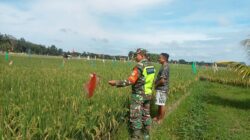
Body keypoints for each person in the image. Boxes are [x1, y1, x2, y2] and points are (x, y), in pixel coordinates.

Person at [108, 48, 155, 139]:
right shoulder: (151, 66)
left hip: (138, 95)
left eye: (136, 55)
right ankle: (146, 135)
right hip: (148, 94)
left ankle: (136, 137)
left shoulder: (140, 66)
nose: (135, 57)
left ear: (141, 55)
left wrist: (116, 83)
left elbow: (130, 81)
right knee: (146, 114)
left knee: (136, 116)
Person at [153, 53, 170, 124]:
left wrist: (156, 85)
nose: (158, 59)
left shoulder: (165, 67)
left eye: (160, 58)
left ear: (164, 59)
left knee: (162, 104)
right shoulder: (163, 66)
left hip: (162, 88)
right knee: (159, 104)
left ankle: (161, 119)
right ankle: (158, 116)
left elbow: (162, 80)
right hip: (161, 88)